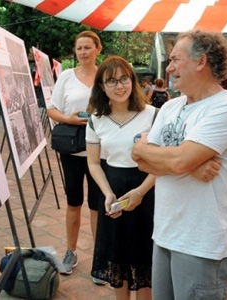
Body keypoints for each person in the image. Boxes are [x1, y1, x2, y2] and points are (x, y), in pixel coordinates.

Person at [132, 30, 227, 299]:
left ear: (201, 62)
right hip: (164, 233)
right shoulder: (169, 107)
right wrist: (190, 164)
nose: (170, 67)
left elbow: (173, 160)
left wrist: (156, 153)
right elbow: (141, 161)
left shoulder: (226, 107)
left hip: (202, 243)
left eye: (176, 59)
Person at [86, 56, 156, 300]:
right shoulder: (95, 120)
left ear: (132, 80)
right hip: (113, 190)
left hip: (148, 191)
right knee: (118, 257)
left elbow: (161, 163)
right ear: (101, 87)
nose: (119, 86)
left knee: (144, 258)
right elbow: (94, 163)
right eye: (111, 81)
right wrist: (107, 194)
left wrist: (141, 191)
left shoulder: (153, 115)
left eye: (124, 79)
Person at [46, 30, 105, 284]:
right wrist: (70, 119)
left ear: (97, 49)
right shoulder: (66, 77)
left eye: (87, 47)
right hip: (72, 149)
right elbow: (51, 109)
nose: (82, 52)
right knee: (74, 202)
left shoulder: (106, 75)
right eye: (79, 48)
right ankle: (71, 252)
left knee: (97, 205)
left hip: (101, 150)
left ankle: (100, 259)